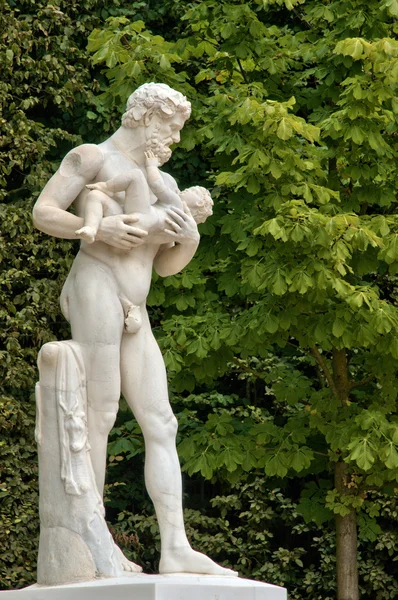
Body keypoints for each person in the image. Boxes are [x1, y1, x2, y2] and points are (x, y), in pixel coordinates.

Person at [33, 83, 236, 577]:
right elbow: (42, 213)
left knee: (161, 421)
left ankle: (175, 547)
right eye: (170, 127)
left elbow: (166, 268)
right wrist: (98, 229)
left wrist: (186, 238)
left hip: (135, 307)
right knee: (99, 415)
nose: (174, 139)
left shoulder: (161, 182)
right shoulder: (91, 159)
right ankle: (94, 539)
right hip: (96, 285)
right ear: (145, 117)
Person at [75, 149, 213, 243]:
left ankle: (107, 187)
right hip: (134, 228)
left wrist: (151, 166)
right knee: (96, 196)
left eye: (193, 191)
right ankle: (91, 229)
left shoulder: (176, 204)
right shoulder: (176, 230)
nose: (186, 190)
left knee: (136, 175)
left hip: (142, 215)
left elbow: (156, 185)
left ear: (199, 203)